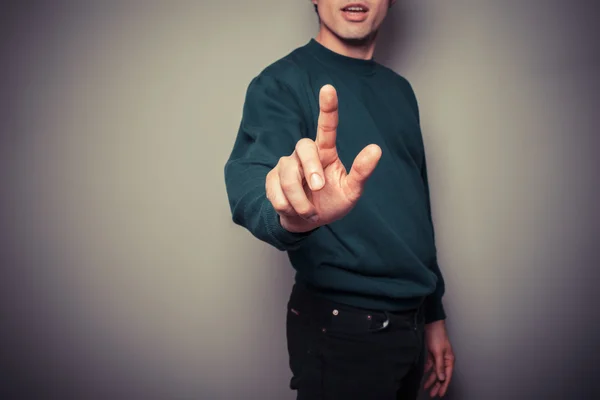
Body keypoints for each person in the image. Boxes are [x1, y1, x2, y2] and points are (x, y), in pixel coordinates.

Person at [224, 0, 455, 398]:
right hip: (342, 331)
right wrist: (293, 215)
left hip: (412, 324)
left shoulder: (401, 91)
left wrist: (433, 316)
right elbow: (251, 182)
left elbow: (418, 208)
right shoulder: (281, 82)